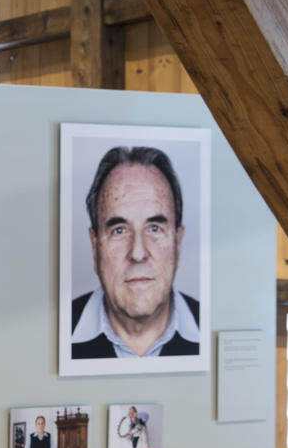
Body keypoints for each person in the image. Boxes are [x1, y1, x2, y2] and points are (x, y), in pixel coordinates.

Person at [70, 145, 200, 359]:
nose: (138, 253)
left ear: (177, 243)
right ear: (95, 246)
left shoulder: (211, 324)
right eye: (119, 230)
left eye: (154, 228)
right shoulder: (55, 329)